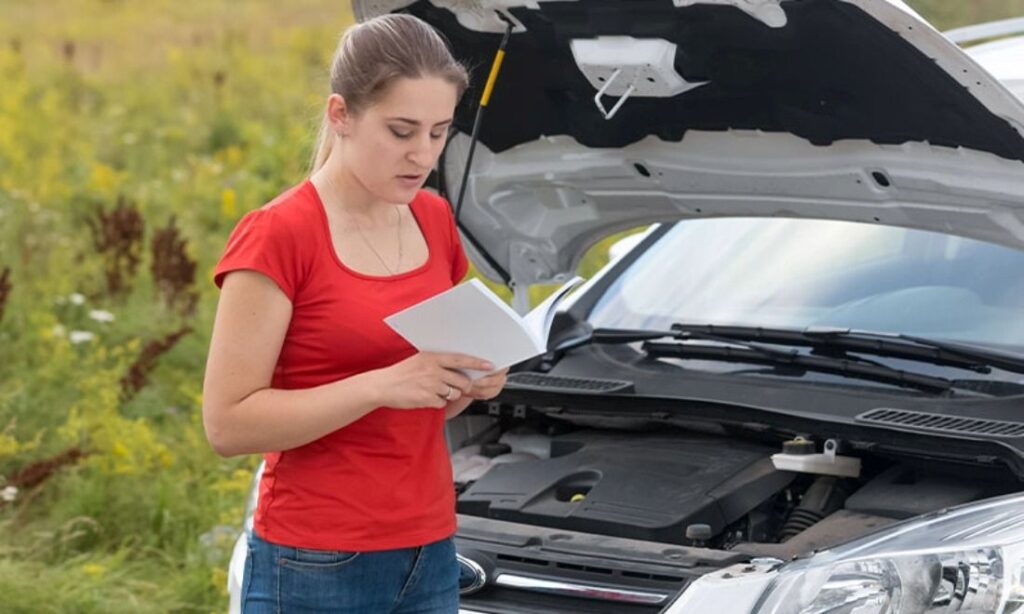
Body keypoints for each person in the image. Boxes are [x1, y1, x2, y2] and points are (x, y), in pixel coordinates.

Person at [202, 13, 508, 613]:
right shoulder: (278, 235)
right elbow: (227, 425)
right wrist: (381, 385)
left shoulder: (435, 220)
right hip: (317, 556)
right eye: (400, 131)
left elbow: (426, 398)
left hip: (431, 546)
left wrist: (473, 381)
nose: (422, 154)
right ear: (341, 115)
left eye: (439, 132)